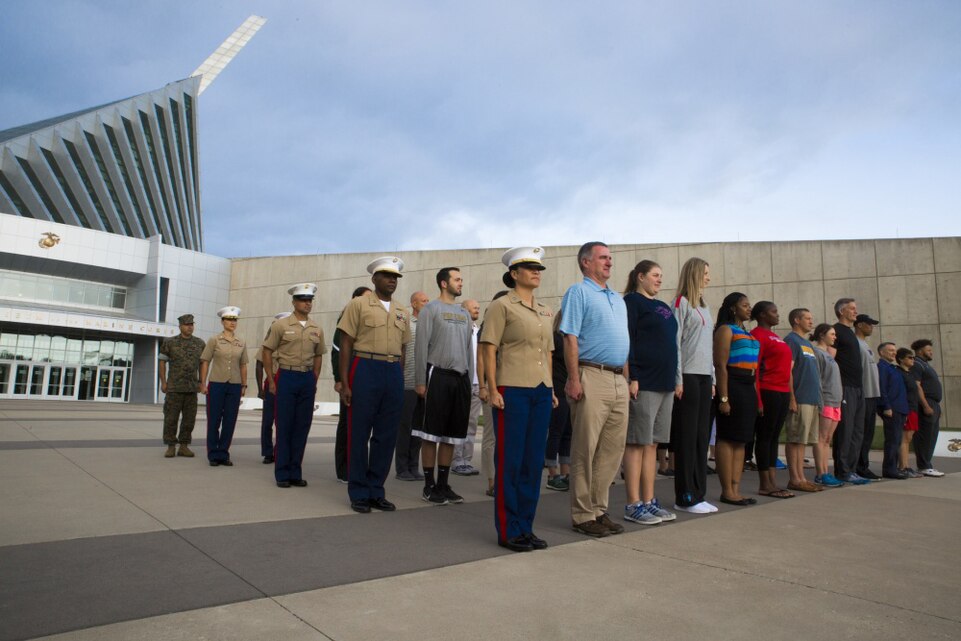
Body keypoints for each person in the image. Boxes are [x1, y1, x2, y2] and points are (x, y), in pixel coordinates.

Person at [480, 246, 557, 552]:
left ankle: (526, 526)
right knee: (510, 461)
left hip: (539, 390)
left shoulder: (543, 310)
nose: (536, 272)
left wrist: (550, 388)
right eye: (529, 268)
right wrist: (493, 388)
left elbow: (548, 353)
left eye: (539, 268)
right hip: (512, 388)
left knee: (532, 462)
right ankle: (508, 529)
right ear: (514, 274)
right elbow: (488, 348)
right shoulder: (502, 306)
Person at [560, 242, 630, 538]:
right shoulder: (579, 292)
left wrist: (627, 378)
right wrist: (574, 378)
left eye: (610, 258)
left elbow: (623, 341)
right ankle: (582, 514)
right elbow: (570, 337)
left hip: (618, 380)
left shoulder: (618, 298)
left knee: (611, 452)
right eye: (603, 258)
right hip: (591, 375)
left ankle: (599, 510)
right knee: (585, 450)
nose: (609, 262)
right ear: (586, 263)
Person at [337, 257, 411, 513]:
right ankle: (358, 491)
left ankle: (376, 490)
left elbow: (402, 347)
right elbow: (345, 343)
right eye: (387, 275)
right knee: (359, 433)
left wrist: (399, 378)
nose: (392, 280)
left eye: (396, 277)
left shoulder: (402, 311)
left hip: (392, 371)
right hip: (365, 367)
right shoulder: (358, 305)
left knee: (386, 435)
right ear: (374, 279)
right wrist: (345, 382)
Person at [621, 259, 679, 525]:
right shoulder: (632, 302)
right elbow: (627, 339)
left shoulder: (663, 306)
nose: (659, 279)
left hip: (665, 383)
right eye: (655, 275)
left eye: (661, 275)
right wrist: (632, 376)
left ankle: (648, 500)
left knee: (653, 444)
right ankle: (633, 504)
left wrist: (677, 379)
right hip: (643, 382)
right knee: (637, 443)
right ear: (640, 276)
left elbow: (672, 345)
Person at [412, 268, 474, 505]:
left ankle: (443, 484)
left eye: (461, 279)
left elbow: (469, 349)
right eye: (457, 279)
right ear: (443, 283)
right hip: (436, 375)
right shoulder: (431, 309)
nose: (461, 283)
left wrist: (468, 382)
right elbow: (421, 346)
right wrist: (420, 381)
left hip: (460, 379)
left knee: (450, 436)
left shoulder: (464, 313)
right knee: (430, 434)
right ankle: (429, 486)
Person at [262, 284, 326, 489]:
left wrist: (314, 378)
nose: (307, 303)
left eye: (310, 300)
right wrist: (271, 380)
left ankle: (295, 471)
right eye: (303, 299)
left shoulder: (316, 328)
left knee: (302, 426)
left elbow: (318, 355)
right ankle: (282, 472)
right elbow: (267, 351)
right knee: (285, 425)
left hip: (306, 378)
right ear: (294, 302)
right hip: (286, 376)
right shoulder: (281, 325)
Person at [670, 257, 717, 514]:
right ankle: (685, 496)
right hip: (687, 376)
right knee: (687, 438)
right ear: (695, 274)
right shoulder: (681, 303)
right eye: (706, 273)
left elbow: (707, 347)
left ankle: (699, 494)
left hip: (703, 378)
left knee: (701, 437)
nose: (709, 277)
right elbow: (675, 344)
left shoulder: (705, 306)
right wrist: (678, 379)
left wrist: (712, 378)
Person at [713, 292, 761, 505]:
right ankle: (727, 491)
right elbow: (721, 366)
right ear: (733, 308)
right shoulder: (725, 330)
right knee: (728, 437)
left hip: (748, 385)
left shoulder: (747, 332)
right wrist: (724, 398)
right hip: (732, 383)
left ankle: (736, 488)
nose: (749, 308)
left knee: (742, 439)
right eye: (744, 305)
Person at [750, 301, 794, 498]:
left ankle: (773, 482)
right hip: (768, 390)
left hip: (782, 391)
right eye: (773, 312)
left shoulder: (776, 336)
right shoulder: (757, 335)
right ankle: (764, 483)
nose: (778, 315)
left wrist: (791, 396)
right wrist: (758, 400)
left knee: (775, 437)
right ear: (761, 315)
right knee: (765, 437)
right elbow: (755, 369)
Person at [199, 306, 248, 466]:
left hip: (234, 385)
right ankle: (213, 454)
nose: (232, 323)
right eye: (229, 319)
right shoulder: (214, 340)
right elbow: (205, 361)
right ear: (222, 321)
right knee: (214, 419)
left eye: (234, 320)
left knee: (230, 420)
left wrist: (244, 384)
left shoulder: (241, 342)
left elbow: (243, 365)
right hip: (217, 384)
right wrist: (203, 382)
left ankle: (224, 453)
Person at [333, 287, 372, 482]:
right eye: (366, 297)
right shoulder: (346, 318)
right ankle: (344, 469)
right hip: (349, 380)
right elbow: (337, 351)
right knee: (346, 424)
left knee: (363, 426)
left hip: (364, 377)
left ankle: (359, 466)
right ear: (355, 299)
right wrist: (339, 380)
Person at [831, 298, 871, 485]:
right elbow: (830, 361)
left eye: (856, 308)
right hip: (845, 387)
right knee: (845, 432)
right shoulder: (836, 331)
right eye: (852, 309)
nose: (856, 312)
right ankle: (843, 471)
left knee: (857, 431)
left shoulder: (850, 333)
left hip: (858, 388)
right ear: (841, 311)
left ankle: (852, 470)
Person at [782, 308, 822, 492]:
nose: (811, 321)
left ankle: (801, 478)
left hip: (812, 399)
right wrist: (791, 397)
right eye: (807, 318)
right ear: (796, 320)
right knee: (796, 439)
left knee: (803, 441)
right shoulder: (791, 341)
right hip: (800, 398)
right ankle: (795, 479)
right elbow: (787, 371)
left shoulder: (807, 343)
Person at [159, 313, 205, 458]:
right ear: (180, 326)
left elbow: (203, 363)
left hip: (192, 388)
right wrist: (163, 382)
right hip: (174, 388)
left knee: (189, 419)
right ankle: (171, 446)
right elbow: (162, 362)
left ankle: (184, 446)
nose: (189, 327)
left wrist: (202, 382)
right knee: (171, 418)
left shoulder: (200, 343)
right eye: (186, 324)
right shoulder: (170, 342)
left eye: (191, 324)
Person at [395, 290, 429, 481]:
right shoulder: (408, 323)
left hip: (424, 384)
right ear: (414, 304)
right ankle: (401, 468)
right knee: (405, 427)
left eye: (428, 300)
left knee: (419, 428)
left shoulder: (429, 325)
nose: (427, 303)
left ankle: (413, 466)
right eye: (423, 301)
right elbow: (402, 351)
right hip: (408, 383)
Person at [478, 290, 509, 497]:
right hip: (492, 387)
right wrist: (484, 386)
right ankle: (492, 481)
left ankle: (504, 479)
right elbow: (481, 357)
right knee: (491, 436)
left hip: (510, 385)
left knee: (506, 438)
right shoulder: (488, 324)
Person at [255, 311, 291, 465]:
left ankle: (281, 451)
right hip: (271, 383)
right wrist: (260, 389)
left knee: (284, 421)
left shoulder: (291, 345)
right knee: (268, 420)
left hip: (287, 382)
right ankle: (268, 452)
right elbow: (259, 364)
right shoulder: (267, 344)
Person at [452, 298, 483, 477]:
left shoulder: (479, 331)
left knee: (471, 424)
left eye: (478, 307)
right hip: (462, 382)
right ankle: (456, 460)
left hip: (478, 384)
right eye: (474, 307)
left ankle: (467, 460)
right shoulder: (458, 329)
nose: (477, 309)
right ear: (464, 310)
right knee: (458, 422)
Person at [811, 324, 844, 487]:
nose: (835, 337)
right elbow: (817, 379)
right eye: (832, 334)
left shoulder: (828, 353)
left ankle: (826, 472)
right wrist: (820, 402)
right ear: (822, 335)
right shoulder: (817, 353)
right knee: (821, 437)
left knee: (827, 439)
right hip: (826, 400)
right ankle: (821, 473)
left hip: (836, 400)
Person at [545, 310, 572, 491]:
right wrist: (551, 389)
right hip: (558, 389)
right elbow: (548, 363)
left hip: (570, 391)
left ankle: (566, 471)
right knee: (556, 431)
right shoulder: (555, 338)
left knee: (568, 434)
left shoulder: (572, 339)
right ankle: (552, 473)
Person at [911, 339, 945, 477]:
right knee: (925, 436)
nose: (931, 352)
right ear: (920, 351)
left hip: (933, 404)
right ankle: (924, 466)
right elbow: (917, 386)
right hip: (926, 404)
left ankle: (927, 464)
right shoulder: (917, 365)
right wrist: (925, 405)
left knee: (932, 435)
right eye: (928, 350)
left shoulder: (925, 365)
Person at [854, 314, 882, 480]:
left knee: (868, 434)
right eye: (869, 324)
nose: (872, 327)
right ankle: (859, 467)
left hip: (872, 395)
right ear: (860, 325)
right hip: (863, 394)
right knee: (861, 434)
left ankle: (864, 465)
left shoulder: (865, 344)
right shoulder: (856, 343)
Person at [876, 342, 908, 480]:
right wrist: (886, 406)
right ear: (882, 353)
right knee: (892, 440)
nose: (894, 353)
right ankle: (889, 469)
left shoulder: (893, 368)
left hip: (900, 408)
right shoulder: (882, 368)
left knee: (897, 439)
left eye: (895, 350)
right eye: (890, 350)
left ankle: (893, 467)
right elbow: (882, 388)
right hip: (892, 409)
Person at [896, 348, 924, 478]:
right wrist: (905, 411)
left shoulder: (910, 373)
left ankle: (906, 465)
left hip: (913, 408)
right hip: (906, 409)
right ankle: (903, 466)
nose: (912, 360)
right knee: (905, 438)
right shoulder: (899, 373)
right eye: (909, 357)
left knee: (909, 438)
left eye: (913, 358)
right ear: (901, 359)